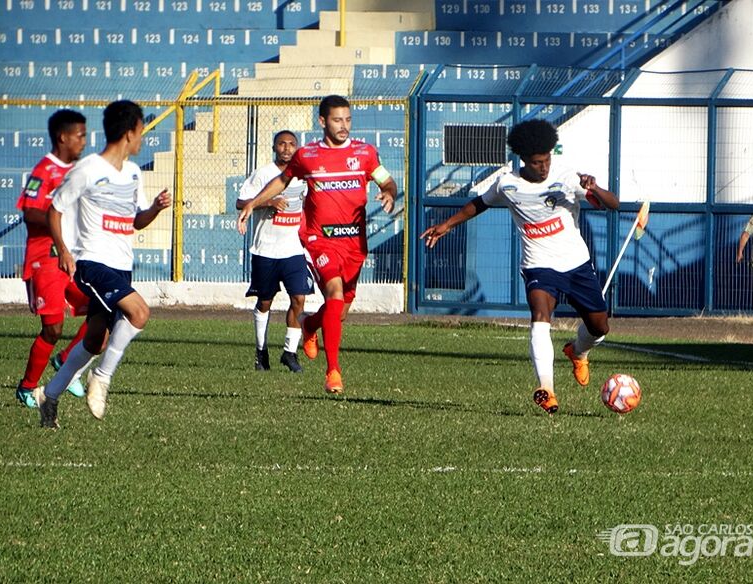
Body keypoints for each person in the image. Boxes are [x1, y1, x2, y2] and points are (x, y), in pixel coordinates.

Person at [421, 119, 619, 414]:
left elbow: (612, 203)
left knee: (599, 327)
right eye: (538, 162)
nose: (544, 166)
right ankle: (546, 389)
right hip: (538, 265)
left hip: (576, 264)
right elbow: (479, 203)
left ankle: (577, 351)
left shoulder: (567, 178)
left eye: (548, 158)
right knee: (540, 316)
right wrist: (447, 225)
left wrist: (595, 188)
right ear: (524, 160)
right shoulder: (508, 183)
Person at [237, 95, 397, 394]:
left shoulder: (365, 153)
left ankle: (310, 326)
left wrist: (388, 192)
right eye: (337, 120)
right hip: (319, 238)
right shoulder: (307, 155)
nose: (344, 126)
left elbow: (387, 181)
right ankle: (333, 371)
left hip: (354, 241)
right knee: (334, 294)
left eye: (348, 119)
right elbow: (282, 181)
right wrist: (253, 203)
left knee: (341, 310)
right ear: (323, 121)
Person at [35, 100, 171, 429]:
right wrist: (65, 251)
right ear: (128, 133)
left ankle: (48, 397)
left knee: (95, 340)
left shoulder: (134, 173)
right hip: (93, 262)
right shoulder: (88, 169)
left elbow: (136, 221)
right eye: (141, 131)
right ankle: (102, 377)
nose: (143, 138)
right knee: (139, 312)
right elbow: (55, 209)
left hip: (121, 264)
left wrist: (154, 208)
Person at [15, 109, 90, 408]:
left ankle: (65, 361)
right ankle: (27, 387)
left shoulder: (79, 171)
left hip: (70, 257)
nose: (84, 141)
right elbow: (29, 212)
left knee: (103, 311)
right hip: (44, 258)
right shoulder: (44, 170)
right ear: (63, 137)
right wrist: (56, 218)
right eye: (80, 135)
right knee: (53, 328)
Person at [236, 130, 313, 373]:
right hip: (266, 249)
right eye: (282, 144)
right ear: (274, 147)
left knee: (299, 299)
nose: (287, 148)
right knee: (265, 301)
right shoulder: (264, 174)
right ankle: (261, 352)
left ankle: (290, 353)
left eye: (291, 144)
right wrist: (268, 201)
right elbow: (241, 202)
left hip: (293, 249)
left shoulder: (304, 176)